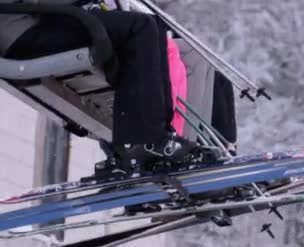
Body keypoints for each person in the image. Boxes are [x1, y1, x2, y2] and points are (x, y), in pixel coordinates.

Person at [0, 0, 195, 168]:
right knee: (139, 27)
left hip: (40, 20)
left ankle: (158, 136)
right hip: (22, 29)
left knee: (152, 26)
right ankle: (143, 140)